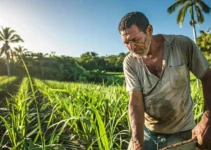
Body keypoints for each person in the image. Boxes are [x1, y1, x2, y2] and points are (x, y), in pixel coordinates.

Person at [118, 11, 211, 150]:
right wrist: (138, 143)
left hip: (182, 131)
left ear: (149, 30)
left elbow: (208, 77)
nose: (131, 47)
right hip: (148, 131)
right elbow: (135, 101)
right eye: (126, 43)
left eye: (135, 40)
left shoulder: (181, 45)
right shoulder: (130, 62)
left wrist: (207, 121)